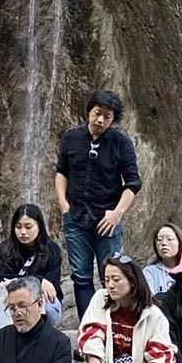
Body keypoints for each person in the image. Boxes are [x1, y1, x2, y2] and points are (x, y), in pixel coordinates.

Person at [55, 89, 142, 320]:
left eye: (107, 116)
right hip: (75, 218)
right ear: (89, 111)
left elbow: (133, 183)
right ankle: (88, 329)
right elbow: (61, 171)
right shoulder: (70, 137)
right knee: (81, 277)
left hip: (107, 221)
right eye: (97, 113)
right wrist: (63, 203)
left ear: (113, 120)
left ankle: (114, 327)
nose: (101, 119)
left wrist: (117, 214)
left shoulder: (121, 143)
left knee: (112, 276)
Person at [0, 203, 64, 323]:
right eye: (18, 227)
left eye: (28, 227)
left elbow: (51, 286)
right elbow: (6, 280)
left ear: (40, 227)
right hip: (12, 298)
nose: (23, 232)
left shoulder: (52, 250)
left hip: (41, 299)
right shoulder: (5, 250)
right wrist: (39, 280)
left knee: (50, 311)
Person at [143, 223, 182, 296]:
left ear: (179, 242)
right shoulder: (149, 272)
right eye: (159, 240)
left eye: (169, 239)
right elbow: (148, 301)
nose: (163, 243)